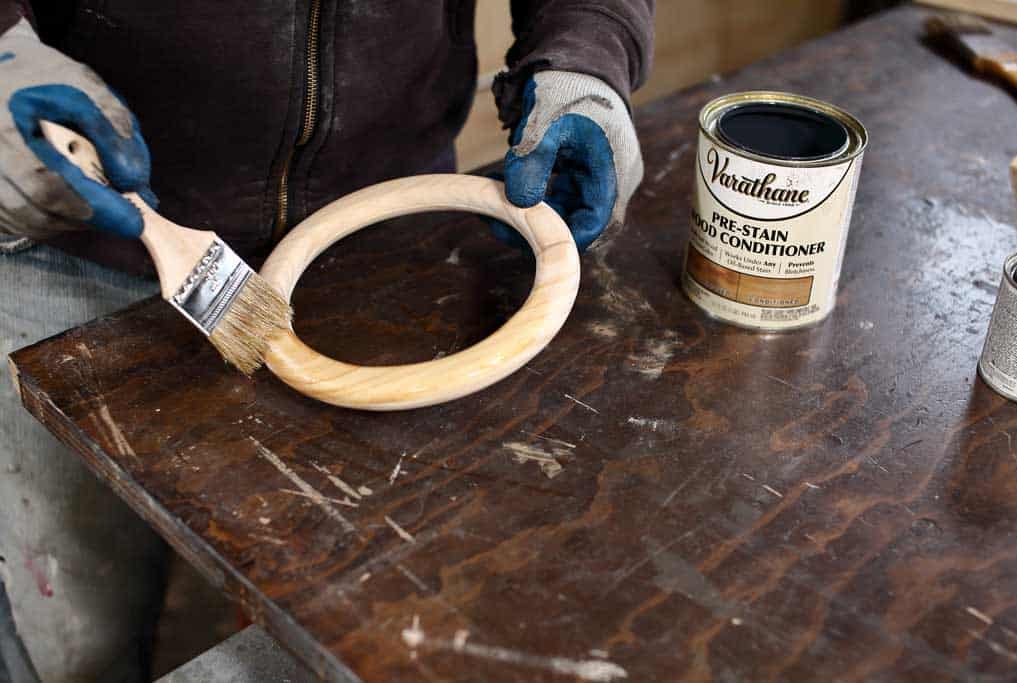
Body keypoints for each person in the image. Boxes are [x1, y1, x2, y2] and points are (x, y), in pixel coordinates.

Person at [0, 1, 654, 680]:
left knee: (338, 608)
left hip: (388, 247)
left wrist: (590, 54)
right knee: (76, 633)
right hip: (64, 229)